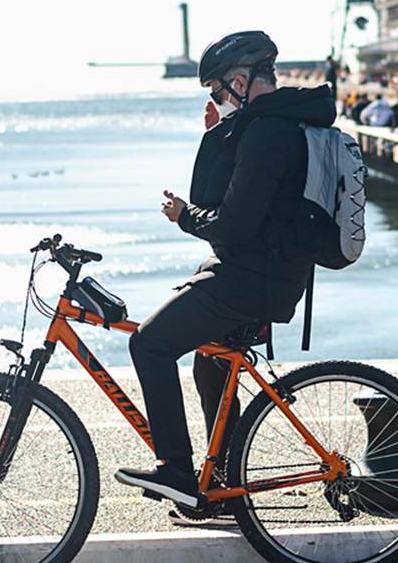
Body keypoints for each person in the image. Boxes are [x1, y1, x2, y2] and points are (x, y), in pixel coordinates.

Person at [114, 31, 336, 506]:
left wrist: (183, 217)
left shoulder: (267, 134)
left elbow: (229, 225)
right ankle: (224, 487)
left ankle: (176, 470)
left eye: (217, 91)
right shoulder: (278, 123)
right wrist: (216, 136)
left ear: (239, 81)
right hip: (265, 273)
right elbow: (225, 206)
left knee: (149, 343)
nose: (218, 99)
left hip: (251, 280)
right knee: (209, 362)